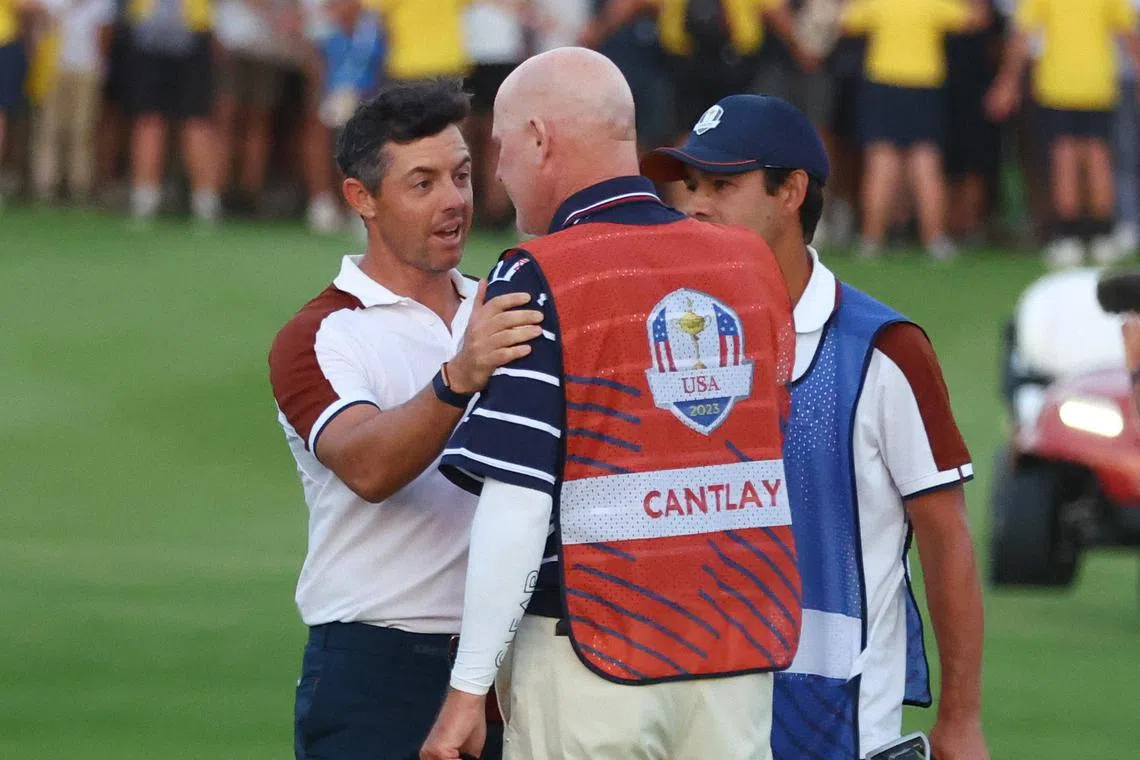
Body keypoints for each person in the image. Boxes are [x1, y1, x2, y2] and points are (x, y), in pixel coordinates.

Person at [421, 47, 801, 760]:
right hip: (736, 649)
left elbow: (519, 501)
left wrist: (468, 688)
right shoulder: (748, 263)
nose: (498, 171)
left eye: (502, 147)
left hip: (595, 652)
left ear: (540, 138)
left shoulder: (538, 273)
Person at [641, 94, 989, 760]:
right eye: (689, 187)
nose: (695, 206)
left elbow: (948, 540)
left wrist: (962, 718)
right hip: (691, 711)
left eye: (722, 185)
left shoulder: (883, 349)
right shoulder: (663, 339)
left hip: (844, 724)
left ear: (791, 192)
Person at [268, 79, 544, 760]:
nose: (454, 199)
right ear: (362, 198)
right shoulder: (321, 335)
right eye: (422, 183)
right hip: (378, 670)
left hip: (512, 663)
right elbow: (367, 465)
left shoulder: (499, 308)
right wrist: (458, 378)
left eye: (461, 174)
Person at [986, 0, 1140, 268]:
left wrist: (1007, 81)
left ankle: (1069, 235)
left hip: (1057, 83)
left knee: (1064, 159)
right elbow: (1129, 36)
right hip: (1098, 83)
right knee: (1097, 157)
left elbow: (1022, 37)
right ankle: (1101, 234)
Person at [841, 0, 988, 260]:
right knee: (926, 163)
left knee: (881, 163)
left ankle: (871, 239)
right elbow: (976, 19)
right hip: (923, 88)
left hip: (882, 86)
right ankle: (935, 239)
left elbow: (845, 22)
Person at [124, 0, 222, 224]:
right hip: (150, 29)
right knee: (150, 120)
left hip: (193, 27)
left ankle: (205, 200)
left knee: (194, 122)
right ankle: (145, 198)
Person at [31, 0, 114, 205]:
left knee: (82, 130)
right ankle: (45, 184)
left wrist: (102, 68)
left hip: (87, 69)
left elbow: (104, 33)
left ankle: (79, 185)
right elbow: (37, 25)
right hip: (53, 68)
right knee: (49, 129)